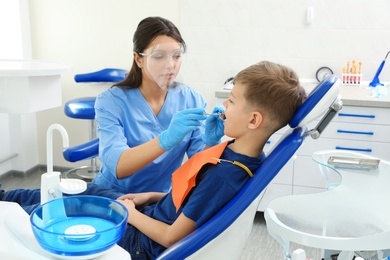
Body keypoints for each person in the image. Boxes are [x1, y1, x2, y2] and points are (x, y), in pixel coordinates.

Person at [0, 60, 307, 259]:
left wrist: (129, 213)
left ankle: (11, 207)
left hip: (143, 242)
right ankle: (6, 196)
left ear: (254, 120)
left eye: (232, 99)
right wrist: (151, 196)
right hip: (152, 209)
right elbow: (194, 200)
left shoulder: (225, 175)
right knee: (84, 191)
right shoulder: (239, 155)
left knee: (53, 209)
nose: (224, 103)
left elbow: (172, 236)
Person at [91, 16, 224, 194]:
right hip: (112, 194)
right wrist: (165, 139)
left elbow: (200, 169)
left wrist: (211, 142)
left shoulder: (191, 100)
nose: (170, 65)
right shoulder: (111, 102)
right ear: (138, 59)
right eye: (159, 56)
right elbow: (118, 166)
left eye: (176, 56)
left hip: (158, 198)